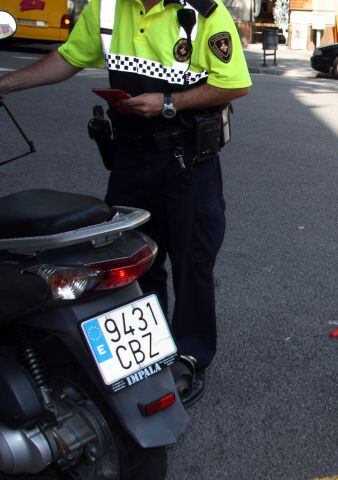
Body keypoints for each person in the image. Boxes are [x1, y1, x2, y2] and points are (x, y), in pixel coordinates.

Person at [0, 0, 251, 407]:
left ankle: (189, 356)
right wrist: (7, 84)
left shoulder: (204, 13)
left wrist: (168, 102)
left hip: (187, 160)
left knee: (193, 263)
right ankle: (148, 354)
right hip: (132, 159)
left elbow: (235, 82)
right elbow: (68, 58)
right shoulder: (107, 8)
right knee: (131, 260)